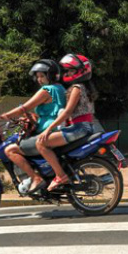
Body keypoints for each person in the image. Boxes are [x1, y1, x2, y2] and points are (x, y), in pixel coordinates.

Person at [0, 59, 66, 193]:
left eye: (42, 76)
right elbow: (50, 111)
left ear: (50, 76)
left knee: (10, 150)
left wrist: (4, 116)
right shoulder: (60, 88)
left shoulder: (47, 90)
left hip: (46, 132)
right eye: (38, 76)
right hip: (53, 129)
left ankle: (35, 178)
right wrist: (32, 117)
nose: (39, 79)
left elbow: (24, 107)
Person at [36, 54, 96, 191]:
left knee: (41, 143)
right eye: (67, 71)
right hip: (85, 127)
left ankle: (60, 176)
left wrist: (48, 128)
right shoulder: (86, 87)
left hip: (79, 128)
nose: (68, 73)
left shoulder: (76, 88)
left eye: (71, 71)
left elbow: (67, 112)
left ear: (81, 71)